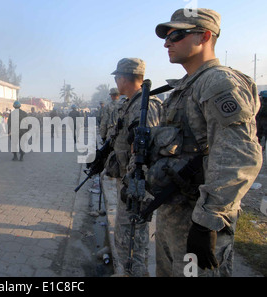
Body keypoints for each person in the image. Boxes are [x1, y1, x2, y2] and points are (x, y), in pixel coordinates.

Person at [147, 8, 262, 277]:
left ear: (205, 36)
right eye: (167, 37)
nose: (167, 43)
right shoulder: (187, 86)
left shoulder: (218, 82)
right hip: (174, 214)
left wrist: (208, 222)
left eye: (176, 35)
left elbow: (239, 155)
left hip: (197, 219)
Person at [111, 58, 162, 277]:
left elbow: (146, 152)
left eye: (116, 77)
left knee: (133, 245)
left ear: (123, 77)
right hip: (128, 183)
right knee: (124, 241)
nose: (115, 81)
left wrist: (134, 184)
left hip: (137, 188)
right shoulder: (132, 103)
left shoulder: (146, 105)